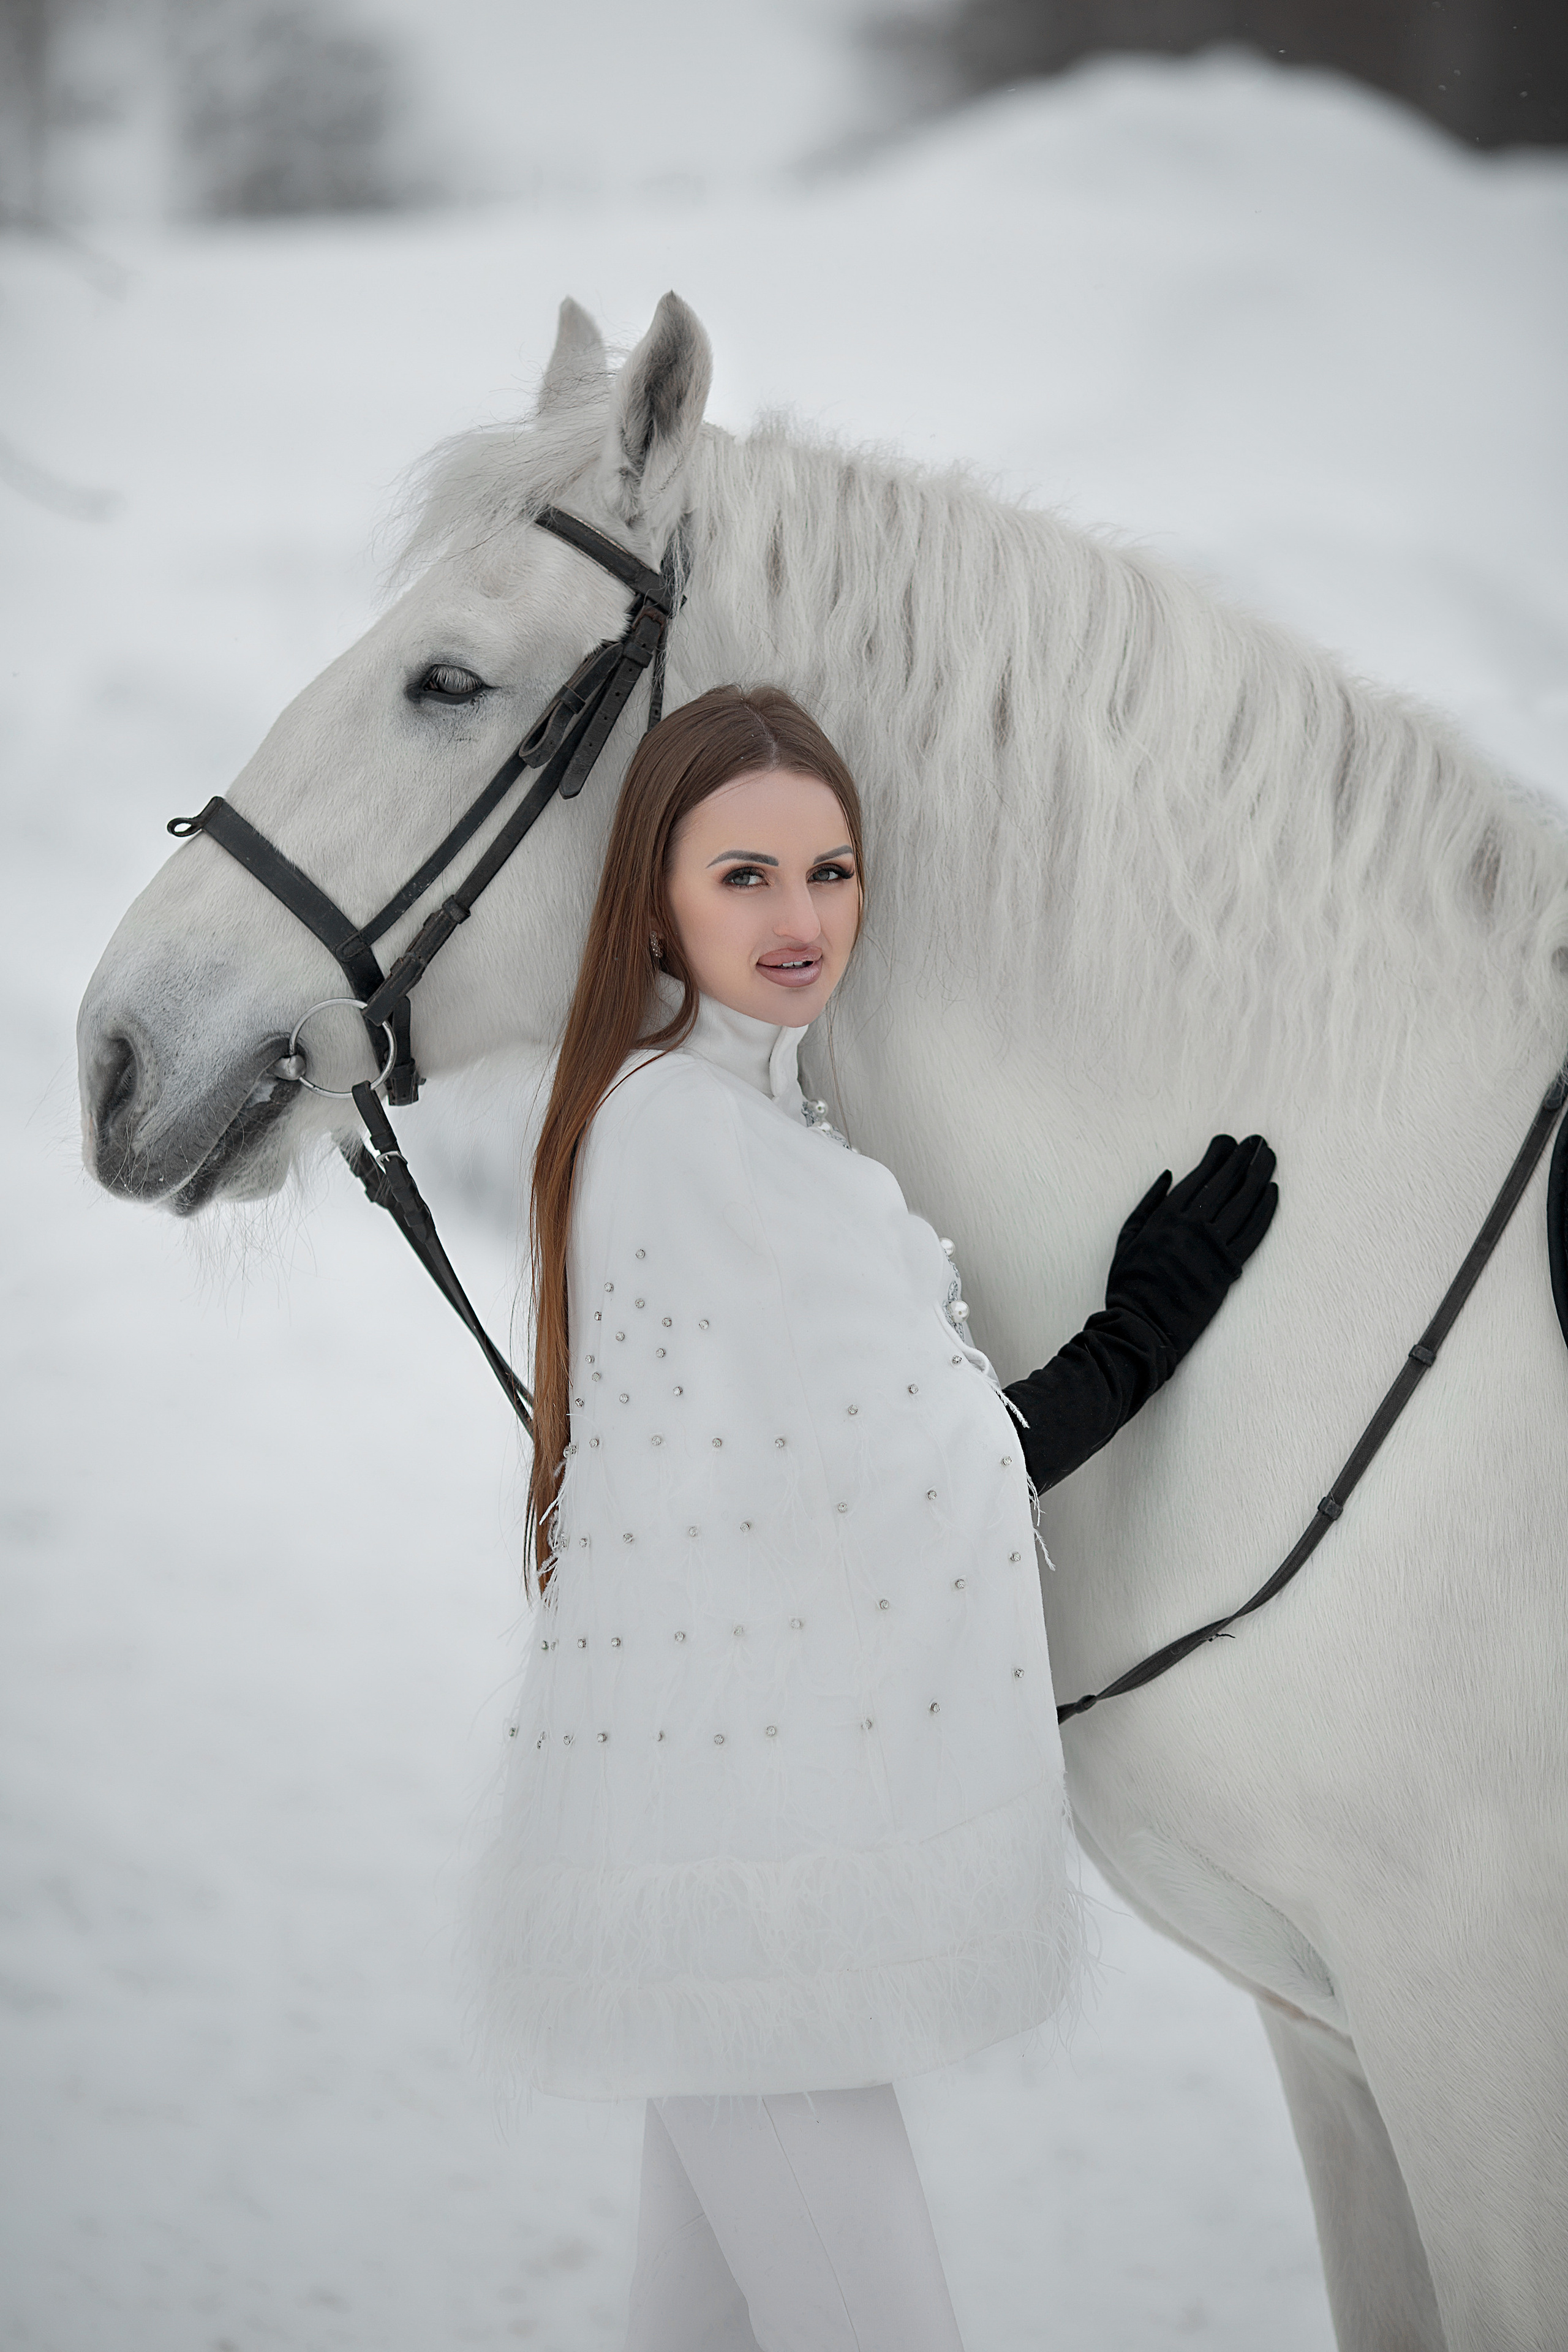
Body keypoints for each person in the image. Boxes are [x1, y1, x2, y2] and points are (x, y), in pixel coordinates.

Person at [481, 684, 1277, 2352]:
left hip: (718, 1880)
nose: (800, 916)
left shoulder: (712, 1122)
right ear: (658, 896)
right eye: (746, 875)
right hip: (734, 1909)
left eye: (830, 871)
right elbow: (899, 1481)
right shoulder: (695, 1140)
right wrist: (1135, 1345)